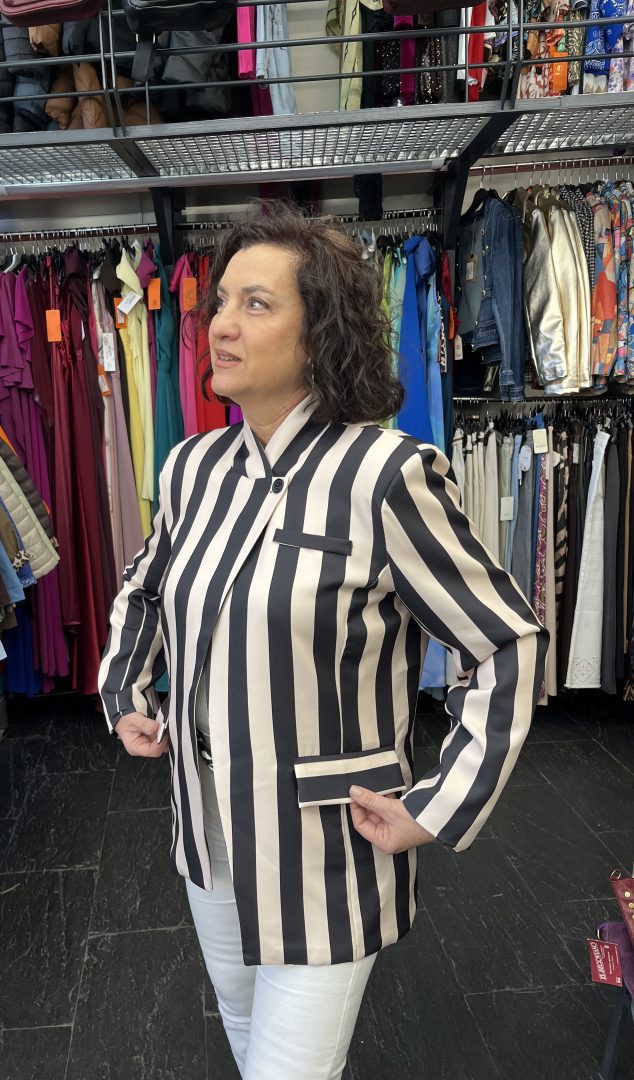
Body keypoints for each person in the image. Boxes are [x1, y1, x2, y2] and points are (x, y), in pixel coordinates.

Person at [98, 204, 548, 1080]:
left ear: (320, 335)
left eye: (256, 304)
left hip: (327, 849)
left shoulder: (387, 476)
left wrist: (437, 804)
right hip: (207, 837)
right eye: (221, 302)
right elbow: (146, 586)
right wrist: (126, 692)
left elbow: (506, 642)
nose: (221, 325)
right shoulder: (194, 468)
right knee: (242, 1026)